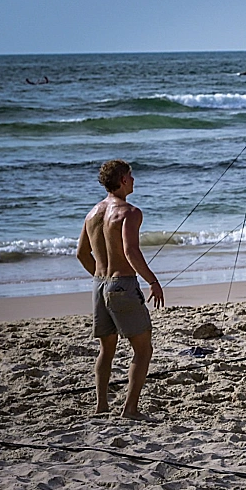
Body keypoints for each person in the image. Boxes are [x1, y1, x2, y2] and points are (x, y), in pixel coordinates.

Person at [76, 160, 164, 421]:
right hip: (122, 284)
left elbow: (81, 254)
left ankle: (101, 406)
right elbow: (130, 251)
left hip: (99, 284)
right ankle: (130, 409)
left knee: (107, 349)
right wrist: (153, 280)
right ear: (123, 180)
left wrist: (101, 278)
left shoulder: (92, 213)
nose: (134, 179)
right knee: (143, 349)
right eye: (131, 175)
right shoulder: (129, 212)